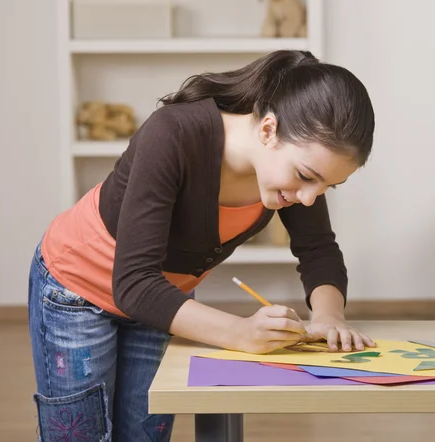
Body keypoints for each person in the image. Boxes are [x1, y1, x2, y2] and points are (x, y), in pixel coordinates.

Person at [28, 49, 376, 441]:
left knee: (145, 433)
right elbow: (134, 283)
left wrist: (329, 317)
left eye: (328, 186)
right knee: (82, 434)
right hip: (76, 288)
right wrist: (242, 333)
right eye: (307, 177)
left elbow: (318, 249)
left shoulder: (295, 174)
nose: (311, 197)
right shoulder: (173, 134)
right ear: (268, 130)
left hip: (159, 299)